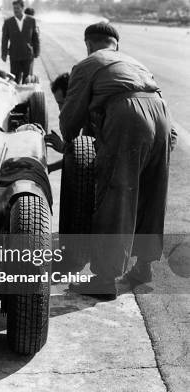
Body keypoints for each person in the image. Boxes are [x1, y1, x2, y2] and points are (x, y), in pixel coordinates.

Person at [59, 22, 172, 300]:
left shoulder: (89, 63)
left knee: (117, 196)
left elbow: (71, 119)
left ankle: (105, 279)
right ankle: (144, 268)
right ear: (116, 44)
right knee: (151, 194)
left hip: (128, 115)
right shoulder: (135, 62)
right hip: (161, 114)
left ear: (88, 44)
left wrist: (70, 142)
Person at [1, 0, 40, 83]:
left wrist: (37, 52)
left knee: (27, 80)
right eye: (14, 8)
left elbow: (35, 38)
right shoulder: (8, 22)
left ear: (22, 8)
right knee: (14, 80)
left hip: (27, 55)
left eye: (18, 8)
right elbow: (4, 39)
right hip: (14, 56)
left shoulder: (31, 21)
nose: (15, 10)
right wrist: (4, 53)